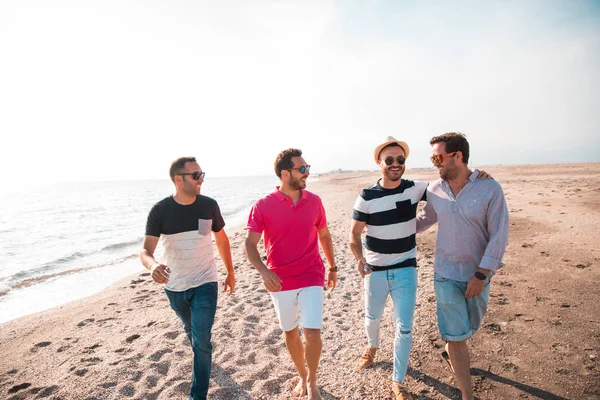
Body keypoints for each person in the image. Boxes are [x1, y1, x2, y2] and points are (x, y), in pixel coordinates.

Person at [416, 132, 509, 400]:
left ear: (458, 156)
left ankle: (452, 350)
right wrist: (388, 230)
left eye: (438, 157)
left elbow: (499, 234)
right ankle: (467, 395)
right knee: (456, 336)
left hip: (477, 274)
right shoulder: (434, 190)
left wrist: (481, 274)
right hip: (445, 274)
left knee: (471, 326)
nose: (435, 163)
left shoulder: (489, 188)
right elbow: (424, 220)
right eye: (432, 157)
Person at [140, 156, 235, 400]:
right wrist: (152, 267)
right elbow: (145, 251)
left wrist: (230, 272)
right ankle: (197, 346)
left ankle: (198, 395)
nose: (201, 180)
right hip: (175, 285)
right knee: (190, 328)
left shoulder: (209, 205)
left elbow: (221, 239)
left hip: (206, 281)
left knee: (202, 339)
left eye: (202, 174)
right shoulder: (160, 210)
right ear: (178, 179)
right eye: (196, 175)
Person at [244, 148, 337, 400]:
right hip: (279, 280)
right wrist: (264, 272)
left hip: (311, 274)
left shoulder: (315, 201)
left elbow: (324, 235)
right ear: (285, 174)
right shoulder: (263, 205)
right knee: (290, 331)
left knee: (313, 332)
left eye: (308, 168)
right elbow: (250, 245)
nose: (307, 172)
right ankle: (302, 375)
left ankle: (313, 381)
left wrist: (332, 266)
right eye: (302, 169)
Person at [349, 137, 427, 400]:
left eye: (400, 159)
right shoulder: (367, 196)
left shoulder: (415, 188)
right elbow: (353, 235)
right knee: (372, 319)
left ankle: (398, 381)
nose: (396, 164)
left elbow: (450, 184)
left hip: (406, 269)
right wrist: (360, 259)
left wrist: (476, 175)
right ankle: (371, 348)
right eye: (390, 160)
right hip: (376, 271)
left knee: (404, 327)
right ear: (379, 163)